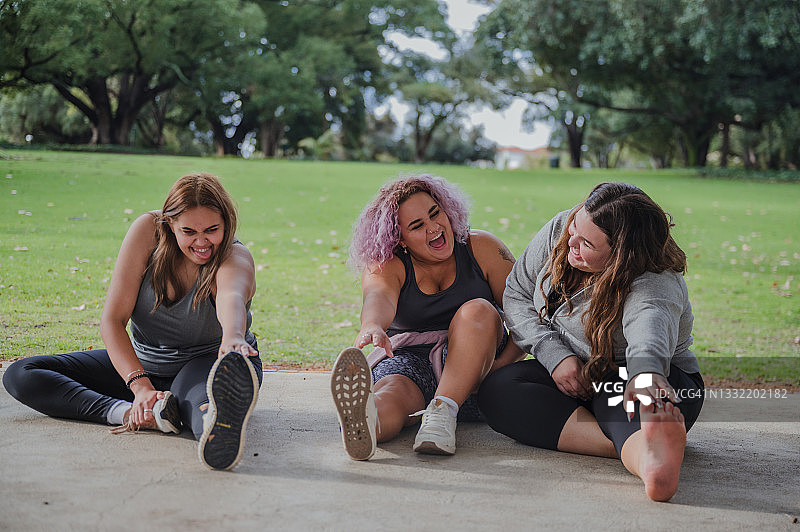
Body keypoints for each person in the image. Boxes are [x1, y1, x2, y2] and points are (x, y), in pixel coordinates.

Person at [3, 173, 262, 471]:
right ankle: (133, 413)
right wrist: (139, 387)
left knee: (205, 408)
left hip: (206, 364)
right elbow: (113, 320)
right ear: (169, 225)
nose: (202, 242)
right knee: (22, 374)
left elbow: (231, 296)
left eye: (212, 230)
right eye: (189, 231)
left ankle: (215, 425)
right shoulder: (147, 233)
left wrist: (233, 336)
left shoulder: (234, 255)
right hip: (145, 365)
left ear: (226, 224)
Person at [477, 182, 704, 501]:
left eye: (587, 243)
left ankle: (652, 462)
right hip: (580, 374)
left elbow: (648, 327)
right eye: (575, 228)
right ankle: (638, 445)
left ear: (621, 259)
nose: (571, 241)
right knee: (498, 390)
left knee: (618, 400)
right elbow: (516, 293)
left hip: (647, 380)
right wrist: (554, 355)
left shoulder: (653, 280)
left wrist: (645, 373)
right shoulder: (563, 227)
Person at [331, 174, 524, 460]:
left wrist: (498, 367)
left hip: (478, 373)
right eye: (417, 226)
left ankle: (441, 412)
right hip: (411, 359)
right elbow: (378, 296)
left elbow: (526, 314)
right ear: (401, 240)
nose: (434, 228)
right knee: (393, 391)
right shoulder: (387, 264)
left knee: (478, 310)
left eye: (435, 214)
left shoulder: (481, 247)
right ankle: (368, 420)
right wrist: (372, 324)